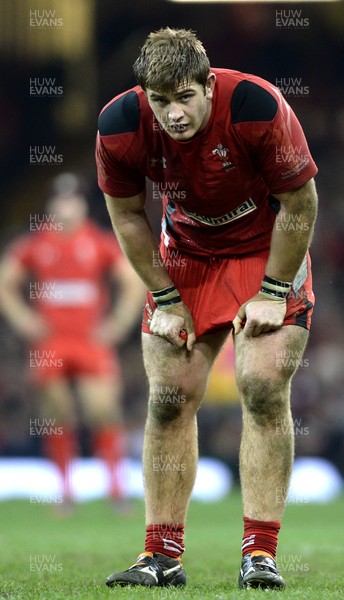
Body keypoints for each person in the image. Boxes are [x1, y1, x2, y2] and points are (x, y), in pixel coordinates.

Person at [96, 28, 318, 589]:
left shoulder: (256, 106)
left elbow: (300, 203)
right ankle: (161, 556)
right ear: (144, 93)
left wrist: (273, 290)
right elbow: (127, 216)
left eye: (184, 97)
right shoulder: (120, 125)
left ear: (209, 84)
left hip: (265, 251)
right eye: (160, 100)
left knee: (262, 386)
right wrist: (166, 297)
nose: (173, 113)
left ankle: (260, 554)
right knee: (170, 400)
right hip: (186, 257)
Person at [0, 174, 145, 511]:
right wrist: (23, 319)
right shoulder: (37, 244)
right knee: (58, 414)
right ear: (51, 206)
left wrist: (118, 324)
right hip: (51, 343)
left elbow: (132, 282)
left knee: (102, 410)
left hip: (90, 342)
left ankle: (115, 489)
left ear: (82, 206)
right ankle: (65, 491)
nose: (66, 207)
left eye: (72, 201)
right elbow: (6, 280)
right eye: (60, 201)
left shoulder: (98, 242)